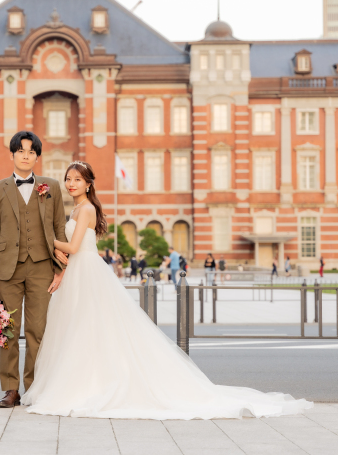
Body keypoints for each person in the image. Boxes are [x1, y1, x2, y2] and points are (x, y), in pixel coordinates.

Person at [22, 160, 312, 420]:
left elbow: (73, 247)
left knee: (87, 328)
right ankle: (81, 382)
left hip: (86, 271)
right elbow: (75, 249)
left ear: (88, 184)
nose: (71, 184)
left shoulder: (85, 208)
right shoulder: (77, 208)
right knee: (81, 330)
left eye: (77, 179)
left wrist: (47, 239)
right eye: (69, 179)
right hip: (79, 271)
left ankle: (85, 385)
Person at [0, 131, 69, 409]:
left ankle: (34, 388)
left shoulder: (51, 186)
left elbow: (59, 230)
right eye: (21, 151)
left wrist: (61, 269)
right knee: (7, 331)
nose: (26, 156)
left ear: (37, 157)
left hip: (43, 268)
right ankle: (10, 390)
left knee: (38, 331)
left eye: (31, 152)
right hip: (7, 270)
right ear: (12, 154)